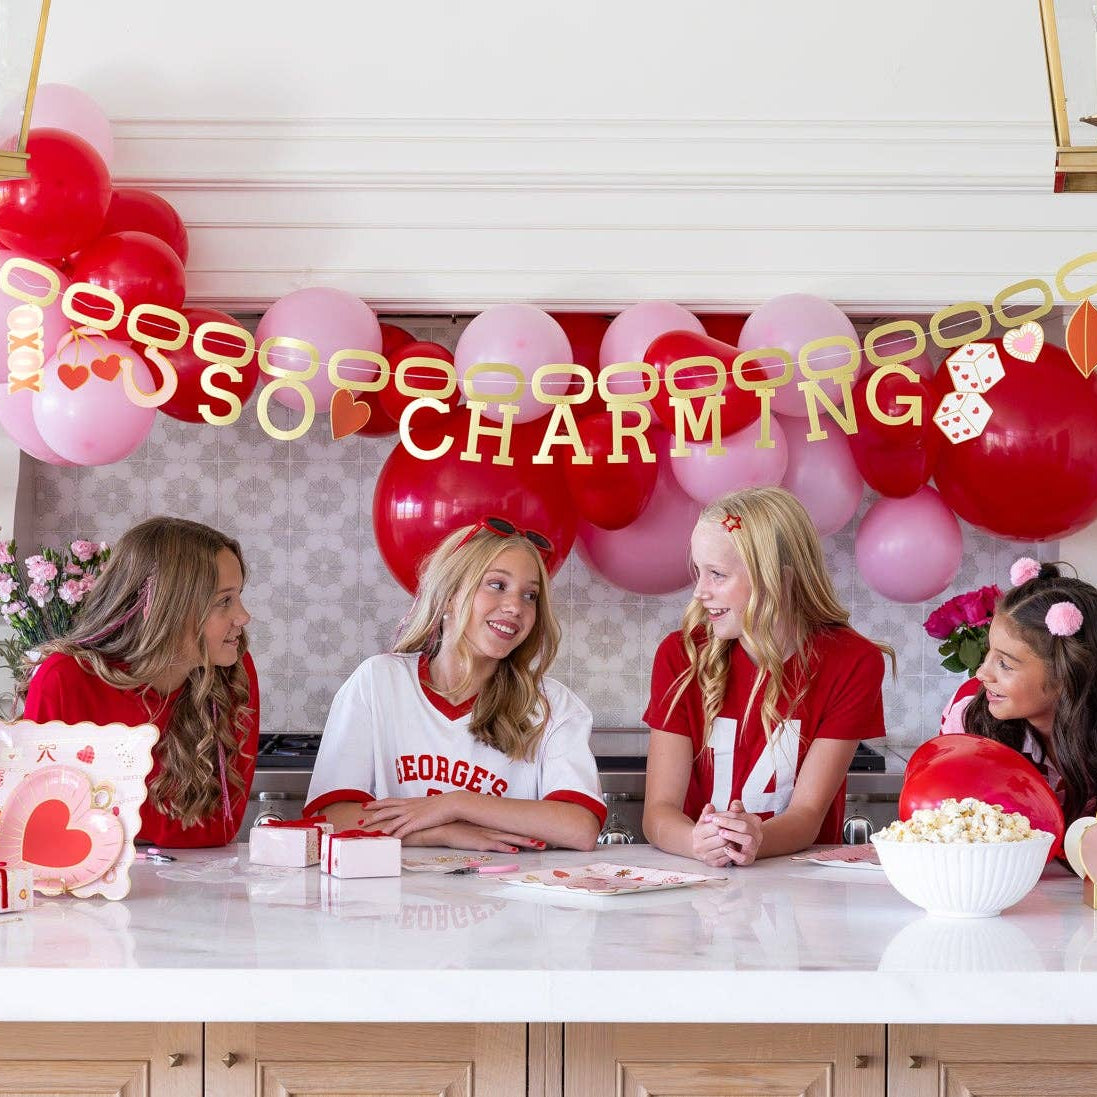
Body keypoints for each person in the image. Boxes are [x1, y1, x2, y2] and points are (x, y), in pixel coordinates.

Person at [305, 516, 605, 852]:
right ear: (449, 596)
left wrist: (456, 804)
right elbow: (331, 818)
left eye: (530, 595)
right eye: (497, 585)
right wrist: (442, 833)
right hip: (390, 899)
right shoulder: (377, 682)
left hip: (511, 898)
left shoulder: (552, 705)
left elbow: (579, 828)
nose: (515, 607)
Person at [643, 486, 892, 867]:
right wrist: (695, 841)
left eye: (718, 575)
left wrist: (757, 837)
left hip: (798, 890)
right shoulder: (680, 655)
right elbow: (658, 812)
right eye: (700, 571)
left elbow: (807, 816)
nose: (699, 592)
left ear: (779, 580)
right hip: (697, 882)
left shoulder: (854, 662)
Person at [21, 516, 258, 848]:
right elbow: (40, 832)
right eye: (224, 601)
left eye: (238, 596)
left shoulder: (232, 672)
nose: (243, 616)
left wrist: (112, 823)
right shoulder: (64, 679)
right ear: (166, 607)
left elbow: (216, 828)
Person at [942, 557, 1097, 827]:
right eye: (989, 652)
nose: (982, 674)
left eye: (1005, 663)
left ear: (1065, 673)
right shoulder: (970, 716)